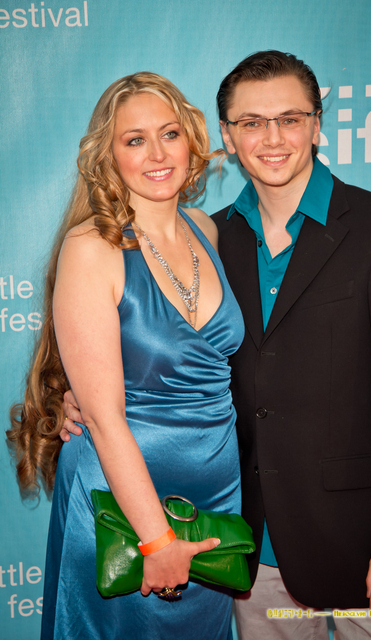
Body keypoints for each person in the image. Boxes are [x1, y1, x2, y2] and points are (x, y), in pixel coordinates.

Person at [61, 51, 371, 640]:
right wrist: (79, 401)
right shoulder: (215, 234)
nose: (272, 138)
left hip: (367, 552)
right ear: (227, 137)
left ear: (317, 124)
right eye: (251, 123)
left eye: (290, 118)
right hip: (245, 548)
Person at [7, 71, 244, 640]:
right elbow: (105, 416)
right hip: (122, 513)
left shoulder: (206, 231)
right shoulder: (91, 247)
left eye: (169, 133)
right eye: (134, 139)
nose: (157, 154)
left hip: (212, 502)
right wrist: (157, 540)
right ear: (108, 157)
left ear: (191, 140)